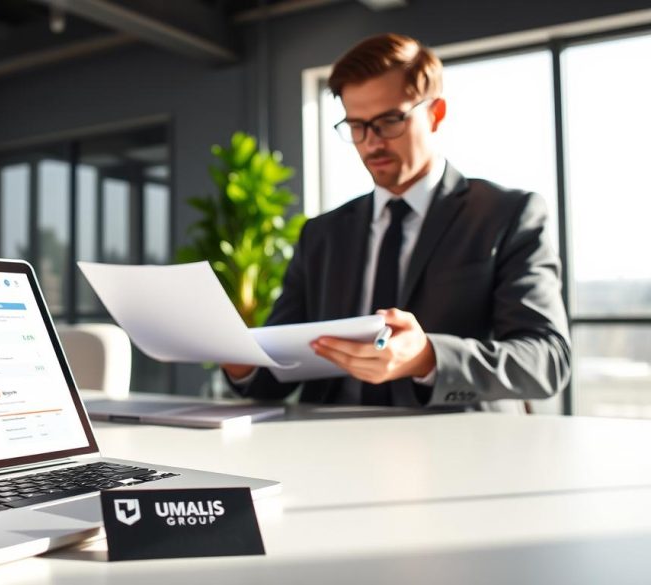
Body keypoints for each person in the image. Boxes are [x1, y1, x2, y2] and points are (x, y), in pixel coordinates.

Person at [223, 33, 570, 409]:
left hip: (457, 448)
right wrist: (240, 360)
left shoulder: (507, 215)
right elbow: (276, 371)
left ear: (435, 114)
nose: (372, 143)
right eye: (356, 126)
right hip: (325, 445)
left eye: (389, 121)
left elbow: (546, 360)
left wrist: (428, 357)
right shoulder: (321, 234)